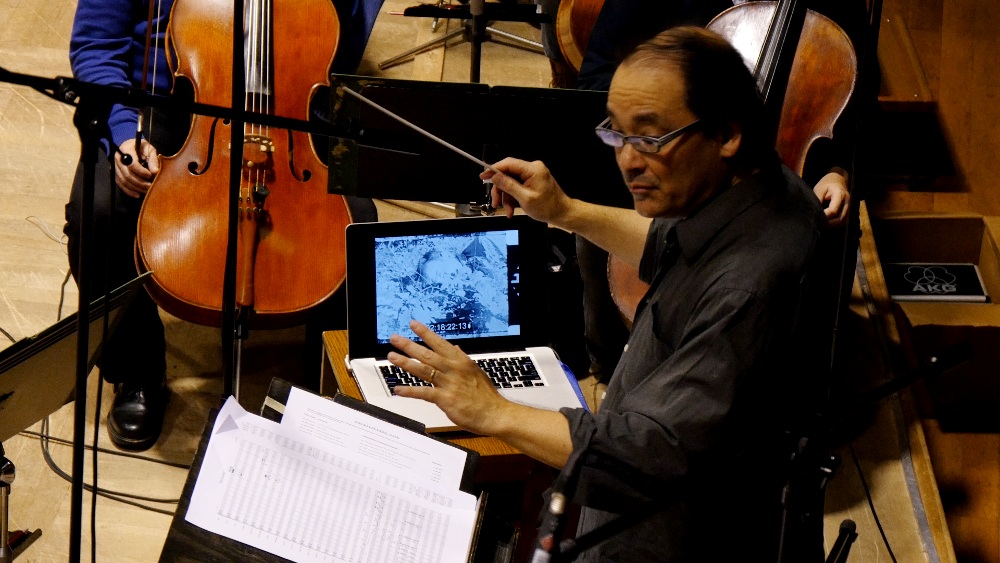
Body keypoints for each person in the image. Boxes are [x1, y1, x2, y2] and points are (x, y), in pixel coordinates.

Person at [387, 26, 827, 560]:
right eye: (617, 135)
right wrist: (565, 213)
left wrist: (491, 411)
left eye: (649, 137)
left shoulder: (750, 284)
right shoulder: (759, 193)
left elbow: (645, 456)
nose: (627, 161)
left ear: (727, 133)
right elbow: (671, 246)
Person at [65, 0, 379, 451]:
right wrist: (121, 133)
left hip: (288, 101)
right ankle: (136, 368)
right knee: (96, 214)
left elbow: (338, 46)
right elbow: (96, 44)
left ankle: (324, 385)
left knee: (356, 226)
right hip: (171, 102)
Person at [573, 0, 861, 382]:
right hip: (675, 152)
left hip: (783, 188)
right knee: (602, 212)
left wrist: (837, 170)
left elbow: (857, 114)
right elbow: (596, 77)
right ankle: (608, 361)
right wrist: (653, 110)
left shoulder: (839, 11)